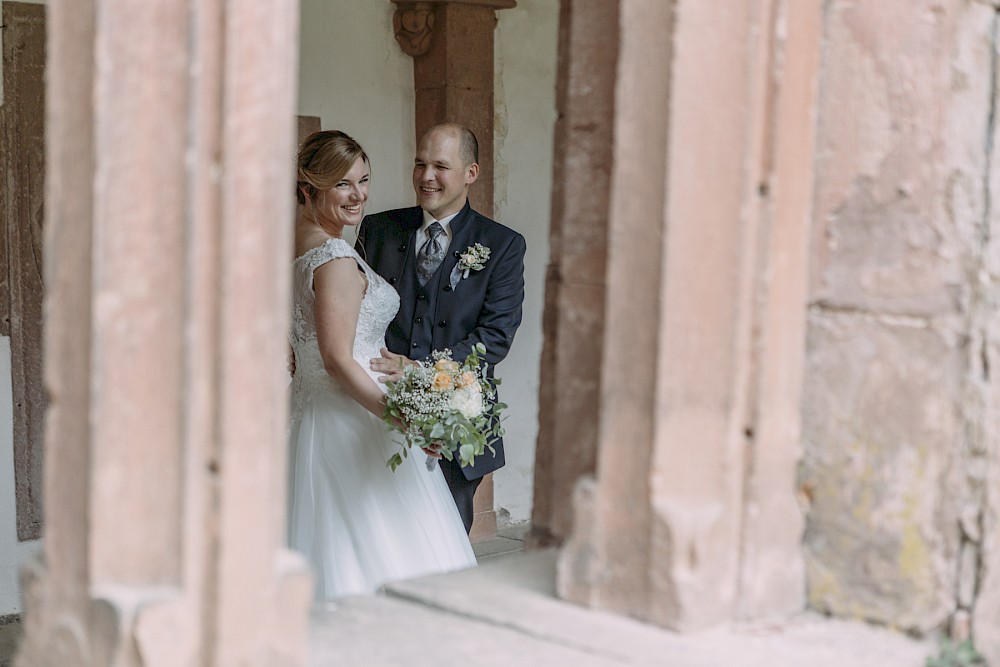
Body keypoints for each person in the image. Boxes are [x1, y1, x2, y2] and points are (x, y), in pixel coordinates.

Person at [287, 130, 476, 600]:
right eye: (343, 185)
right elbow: (335, 358)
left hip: (311, 411)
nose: (359, 195)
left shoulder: (293, 245)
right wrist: (403, 418)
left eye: (364, 180)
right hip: (351, 418)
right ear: (310, 189)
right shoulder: (331, 256)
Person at [356, 123, 527, 533]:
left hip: (457, 418)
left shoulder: (502, 245)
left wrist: (421, 370)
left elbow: (495, 337)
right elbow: (354, 313)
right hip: (376, 414)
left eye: (440, 166)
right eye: (420, 164)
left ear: (471, 172)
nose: (426, 177)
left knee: (443, 540)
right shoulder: (378, 230)